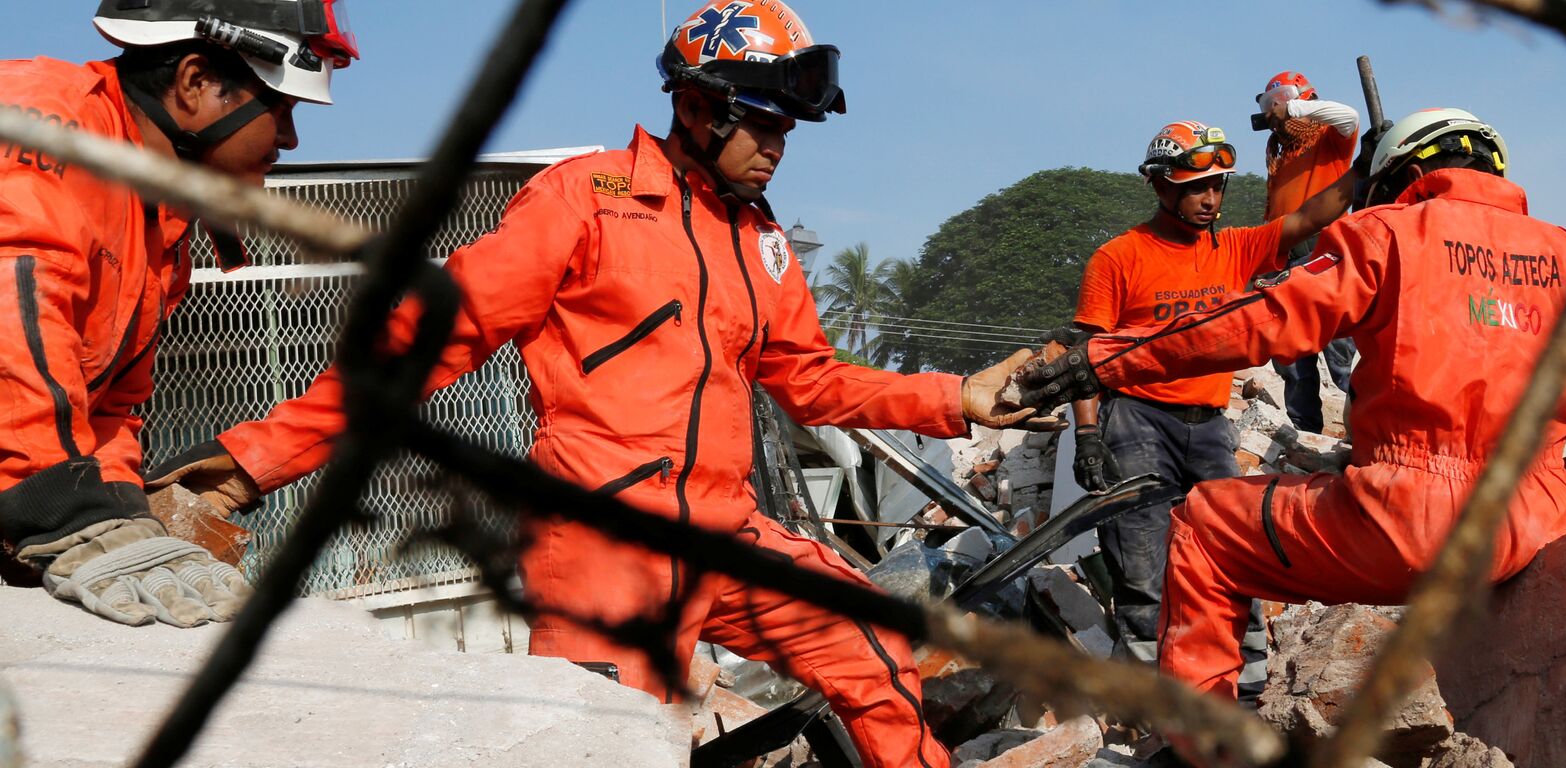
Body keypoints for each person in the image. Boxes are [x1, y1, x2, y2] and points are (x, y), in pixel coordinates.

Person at [144, 3, 1041, 766]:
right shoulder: (584, 197)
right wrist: (251, 460)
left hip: (724, 525)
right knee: (604, 742)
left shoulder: (759, 240)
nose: (777, 146)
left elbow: (808, 379)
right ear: (698, 108)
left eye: (786, 128)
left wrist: (955, 400)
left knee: (870, 639)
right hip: (604, 534)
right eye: (761, 120)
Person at [1021, 108, 1566, 698]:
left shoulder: (1387, 232)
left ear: (1398, 176)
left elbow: (1259, 318)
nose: (1209, 197)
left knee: (1200, 525)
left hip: (1405, 524)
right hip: (1528, 528)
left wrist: (1102, 358)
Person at [0, 0, 357, 626]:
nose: (290, 138)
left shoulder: (156, 213)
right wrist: (65, 514)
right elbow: (11, 320)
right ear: (194, 84)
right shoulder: (42, 123)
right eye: (281, 109)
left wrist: (122, 516)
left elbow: (107, 406)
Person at [1066, 117, 1361, 650]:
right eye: (1195, 187)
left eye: (1216, 186)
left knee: (1230, 551)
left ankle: (1239, 688)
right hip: (1135, 422)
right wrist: (1087, 437)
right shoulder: (1118, 258)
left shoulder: (1235, 248)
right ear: (1159, 186)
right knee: (1141, 561)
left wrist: (1366, 169)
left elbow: (1308, 217)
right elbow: (1083, 358)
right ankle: (1157, 698)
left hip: (1209, 427)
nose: (1209, 198)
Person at [1258, 71, 1362, 435]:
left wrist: (1298, 108)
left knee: (1338, 346)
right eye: (1269, 104)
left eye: (1280, 100)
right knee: (1290, 353)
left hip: (1323, 251)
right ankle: (1304, 432)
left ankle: (1362, 426)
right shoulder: (1280, 153)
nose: (1275, 111)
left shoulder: (1330, 139)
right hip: (1283, 259)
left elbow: (1350, 116)